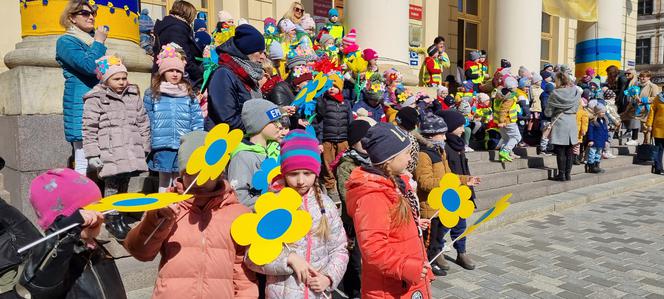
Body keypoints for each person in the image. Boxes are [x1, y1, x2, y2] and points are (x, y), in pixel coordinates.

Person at [124, 131, 258, 299]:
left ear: (219, 172)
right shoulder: (167, 206)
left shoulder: (237, 213)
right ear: (181, 173)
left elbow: (242, 271)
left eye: (205, 172)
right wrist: (156, 219)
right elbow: (139, 251)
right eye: (191, 171)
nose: (198, 180)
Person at [246, 129, 348, 299]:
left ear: (316, 172)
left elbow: (339, 249)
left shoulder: (326, 206)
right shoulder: (270, 205)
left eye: (307, 173)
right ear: (284, 172)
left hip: (319, 294)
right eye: (293, 174)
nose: (301, 181)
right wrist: (289, 260)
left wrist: (329, 278)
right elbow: (252, 258)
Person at [345, 123, 434, 298]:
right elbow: (373, 249)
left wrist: (413, 223)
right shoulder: (372, 196)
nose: (410, 159)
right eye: (407, 153)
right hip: (390, 288)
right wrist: (408, 267)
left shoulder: (397, 183)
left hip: (405, 281)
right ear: (389, 158)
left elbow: (393, 224)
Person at [21, 168, 126, 298]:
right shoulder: (56, 260)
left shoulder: (96, 248)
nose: (98, 215)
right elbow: (39, 286)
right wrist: (64, 234)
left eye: (99, 207)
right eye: (87, 212)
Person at [82, 55, 150, 240]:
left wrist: (145, 144)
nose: (121, 82)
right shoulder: (95, 98)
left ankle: (121, 214)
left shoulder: (133, 95)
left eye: (123, 78)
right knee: (112, 184)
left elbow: (142, 120)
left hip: (130, 148)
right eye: (116, 79)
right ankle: (112, 218)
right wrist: (92, 153)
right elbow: (89, 127)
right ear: (106, 80)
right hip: (110, 149)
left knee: (125, 183)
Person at [56, 0, 108, 175]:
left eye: (92, 13)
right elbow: (88, 67)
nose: (91, 17)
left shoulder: (91, 41)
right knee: (82, 157)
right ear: (72, 18)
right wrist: (99, 42)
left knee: (101, 156)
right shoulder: (66, 41)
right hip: (80, 101)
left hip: (98, 100)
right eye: (85, 13)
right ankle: (80, 200)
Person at [145, 45, 204, 193]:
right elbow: (147, 118)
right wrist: (147, 141)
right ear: (163, 72)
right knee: (164, 181)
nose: (175, 74)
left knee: (180, 179)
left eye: (178, 71)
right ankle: (163, 210)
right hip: (162, 145)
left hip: (182, 145)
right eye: (171, 70)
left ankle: (178, 210)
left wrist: (196, 142)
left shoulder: (188, 94)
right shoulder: (152, 93)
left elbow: (196, 119)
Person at [332, 120, 374, 299]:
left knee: (367, 259)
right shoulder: (346, 165)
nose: (367, 144)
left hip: (370, 219)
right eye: (362, 140)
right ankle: (353, 292)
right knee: (354, 260)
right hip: (353, 221)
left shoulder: (373, 161)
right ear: (353, 142)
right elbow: (347, 196)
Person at [438, 110, 479, 271]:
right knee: (444, 225)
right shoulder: (444, 146)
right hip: (449, 192)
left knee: (461, 226)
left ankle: (461, 252)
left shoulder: (459, 144)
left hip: (463, 190)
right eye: (460, 126)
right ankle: (437, 250)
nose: (463, 129)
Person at [228, 99, 286, 208]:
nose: (279, 126)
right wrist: (270, 203)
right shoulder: (242, 156)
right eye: (274, 121)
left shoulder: (276, 150)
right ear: (258, 124)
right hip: (259, 217)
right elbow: (240, 196)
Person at [206, 24, 266, 131]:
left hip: (246, 137)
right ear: (247, 51)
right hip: (230, 140)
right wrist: (259, 127)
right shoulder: (223, 74)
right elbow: (227, 119)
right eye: (259, 52)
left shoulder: (248, 73)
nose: (263, 57)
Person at [313, 74, 352, 201]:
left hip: (343, 140)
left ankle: (342, 186)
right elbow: (320, 123)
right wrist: (320, 141)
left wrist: (351, 140)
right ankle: (331, 187)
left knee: (341, 164)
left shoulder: (345, 103)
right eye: (329, 86)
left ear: (340, 88)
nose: (331, 89)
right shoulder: (324, 102)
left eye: (334, 86)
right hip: (327, 140)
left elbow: (350, 121)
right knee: (328, 165)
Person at [152, 1, 203, 88]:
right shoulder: (177, 29)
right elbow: (183, 57)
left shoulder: (169, 25)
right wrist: (201, 75)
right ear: (188, 14)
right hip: (178, 80)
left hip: (166, 76)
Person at [546, 72, 581, 181]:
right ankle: (568, 174)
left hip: (560, 122)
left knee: (560, 150)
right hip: (572, 121)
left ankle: (561, 174)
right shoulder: (576, 92)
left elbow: (548, 112)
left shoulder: (555, 93)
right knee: (570, 151)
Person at [494, 77, 522, 162]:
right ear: (513, 87)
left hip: (501, 121)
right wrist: (502, 121)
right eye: (516, 86)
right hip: (508, 121)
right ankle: (505, 151)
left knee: (506, 138)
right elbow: (504, 110)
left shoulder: (501, 93)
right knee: (517, 137)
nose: (517, 88)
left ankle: (503, 156)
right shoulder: (509, 97)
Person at [586, 103, 609, 174]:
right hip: (594, 141)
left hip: (601, 141)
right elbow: (590, 131)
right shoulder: (593, 121)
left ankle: (597, 165)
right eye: (602, 112)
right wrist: (591, 140)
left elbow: (605, 131)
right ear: (597, 112)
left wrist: (606, 140)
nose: (603, 113)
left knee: (598, 154)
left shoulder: (604, 121)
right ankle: (591, 167)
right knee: (592, 153)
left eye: (604, 112)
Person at [646, 92, 664, 174]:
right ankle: (658, 167)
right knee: (659, 149)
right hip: (659, 128)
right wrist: (649, 124)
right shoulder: (658, 98)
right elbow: (652, 111)